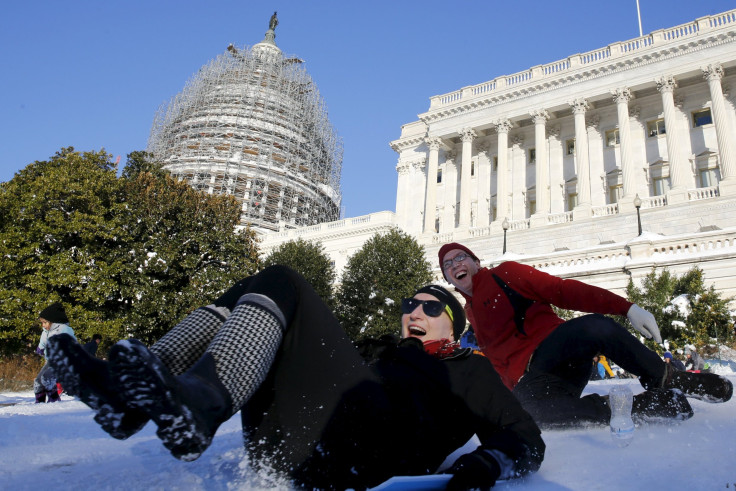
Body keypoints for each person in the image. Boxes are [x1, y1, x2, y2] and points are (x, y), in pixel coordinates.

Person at [46, 265, 544, 490]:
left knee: (283, 280)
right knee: (257, 288)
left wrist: (490, 463)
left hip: (375, 450)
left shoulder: (468, 368)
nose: (414, 311)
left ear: (452, 323)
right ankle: (125, 394)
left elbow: (524, 437)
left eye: (431, 306)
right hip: (296, 448)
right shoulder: (377, 352)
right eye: (408, 304)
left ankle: (200, 401)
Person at [438, 242, 733, 428]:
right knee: (533, 416)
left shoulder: (506, 274)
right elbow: (497, 364)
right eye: (448, 265)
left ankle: (668, 378)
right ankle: (647, 405)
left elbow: (563, 292)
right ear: (448, 277)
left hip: (555, 348)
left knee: (593, 326)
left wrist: (626, 308)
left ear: (476, 261)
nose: (455, 265)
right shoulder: (470, 312)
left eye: (460, 257)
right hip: (534, 378)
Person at [34, 302, 76, 403]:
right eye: (42, 323)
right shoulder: (47, 331)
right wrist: (41, 347)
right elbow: (44, 339)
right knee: (38, 381)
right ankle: (39, 401)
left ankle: (54, 399)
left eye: (45, 323)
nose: (43, 325)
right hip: (50, 360)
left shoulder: (64, 329)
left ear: (53, 321)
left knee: (46, 377)